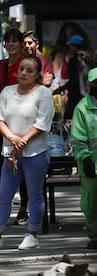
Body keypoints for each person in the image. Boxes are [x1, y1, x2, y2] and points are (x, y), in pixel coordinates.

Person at [0, 55, 54, 250]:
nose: (24, 73)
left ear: (37, 75)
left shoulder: (43, 94)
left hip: (36, 152)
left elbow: (43, 123)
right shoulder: (8, 92)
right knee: (4, 194)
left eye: (30, 70)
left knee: (35, 194)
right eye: (21, 69)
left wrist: (23, 140)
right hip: (11, 152)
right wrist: (14, 139)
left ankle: (31, 234)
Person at [0, 28, 29, 226]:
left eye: (15, 41)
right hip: (4, 118)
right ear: (4, 44)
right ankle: (3, 205)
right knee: (4, 164)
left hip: (25, 117)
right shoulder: (1, 65)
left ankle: (23, 208)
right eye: (8, 41)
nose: (11, 44)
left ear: (21, 43)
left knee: (25, 162)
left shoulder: (26, 63)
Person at [70, 66, 97, 250]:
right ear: (89, 85)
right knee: (92, 202)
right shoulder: (82, 108)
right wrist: (85, 158)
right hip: (91, 167)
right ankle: (95, 236)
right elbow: (78, 139)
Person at [56, 35, 92, 126]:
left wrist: (61, 89)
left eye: (71, 45)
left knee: (68, 121)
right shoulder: (88, 59)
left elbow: (74, 80)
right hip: (88, 96)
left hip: (75, 97)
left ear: (74, 46)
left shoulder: (74, 61)